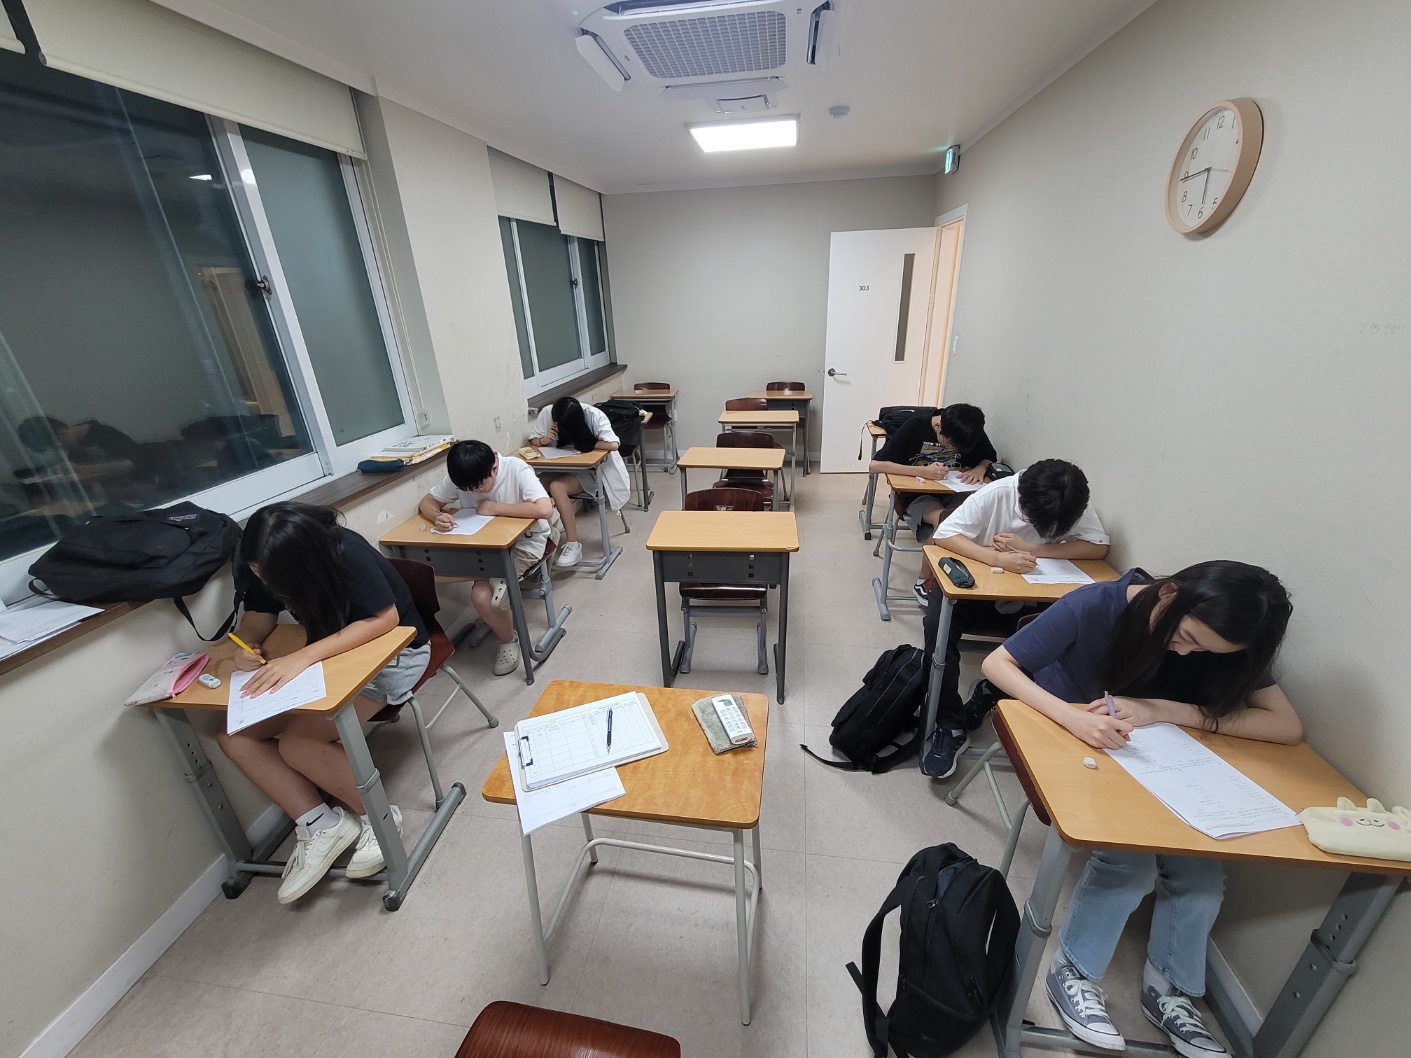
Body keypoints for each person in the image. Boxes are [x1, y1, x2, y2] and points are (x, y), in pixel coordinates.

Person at [981, 561, 1300, 1058]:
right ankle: (1074, 971)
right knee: (1129, 865)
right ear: (1168, 594)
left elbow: (1286, 726)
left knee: (1202, 879)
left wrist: (1163, 710)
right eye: (1188, 637)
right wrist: (1071, 718)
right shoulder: (1096, 606)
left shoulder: (1225, 634)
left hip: (1160, 759)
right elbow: (997, 664)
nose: (1187, 652)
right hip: (1076, 747)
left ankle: (1169, 989)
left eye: (1205, 652)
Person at [215, 503, 432, 905]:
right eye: (257, 571)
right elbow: (259, 614)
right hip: (324, 658)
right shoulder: (262, 559)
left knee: (298, 744)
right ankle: (321, 824)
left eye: (268, 574)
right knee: (235, 736)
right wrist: (247, 644)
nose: (262, 578)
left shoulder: (346, 551)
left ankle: (380, 818)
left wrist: (303, 656)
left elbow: (384, 620)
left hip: (393, 654)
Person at [921, 459, 1110, 778]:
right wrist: (997, 558)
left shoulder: (1069, 499)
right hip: (976, 588)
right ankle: (949, 722)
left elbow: (1098, 547)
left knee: (1066, 631)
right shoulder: (996, 494)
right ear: (1021, 497)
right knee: (938, 624)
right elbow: (945, 535)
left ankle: (992, 690)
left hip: (1029, 593)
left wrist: (1031, 548)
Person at [417, 440, 561, 676]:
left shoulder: (516, 469)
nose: (474, 492)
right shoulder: (465, 475)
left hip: (525, 544)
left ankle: (507, 640)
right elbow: (428, 502)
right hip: (483, 548)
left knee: (484, 596)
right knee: (427, 574)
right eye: (468, 489)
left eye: (480, 486)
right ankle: (505, 621)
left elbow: (545, 509)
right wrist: (436, 516)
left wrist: (494, 508)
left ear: (494, 468)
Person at [867, 403, 998, 589]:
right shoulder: (914, 427)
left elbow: (989, 456)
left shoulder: (968, 430)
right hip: (917, 494)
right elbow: (875, 466)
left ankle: (960, 578)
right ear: (938, 427)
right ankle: (924, 582)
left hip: (955, 491)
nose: (953, 448)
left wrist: (980, 468)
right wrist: (921, 472)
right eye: (950, 444)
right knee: (947, 520)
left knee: (979, 516)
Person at [528, 396, 630, 568]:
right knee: (533, 486)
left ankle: (573, 545)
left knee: (557, 488)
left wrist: (584, 442)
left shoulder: (593, 415)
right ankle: (539, 538)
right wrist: (544, 440)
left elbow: (613, 445)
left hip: (589, 473)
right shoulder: (548, 412)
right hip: (560, 467)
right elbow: (533, 440)